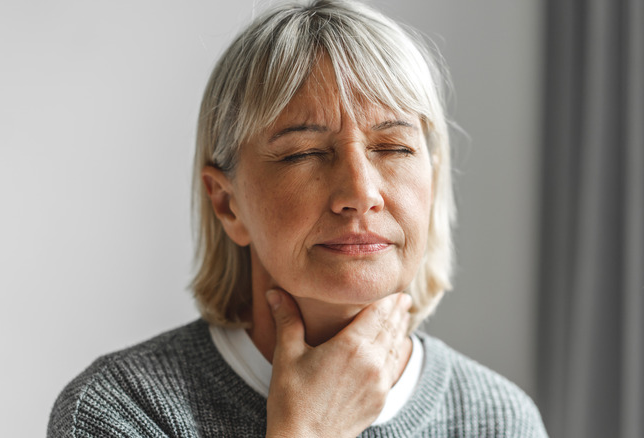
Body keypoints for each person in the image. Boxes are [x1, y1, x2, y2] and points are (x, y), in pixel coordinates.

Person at [48, 1, 549, 436]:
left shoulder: (499, 420)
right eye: (304, 153)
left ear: (433, 183)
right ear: (227, 204)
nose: (360, 193)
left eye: (394, 148)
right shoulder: (121, 410)